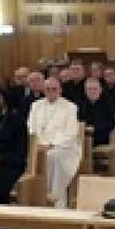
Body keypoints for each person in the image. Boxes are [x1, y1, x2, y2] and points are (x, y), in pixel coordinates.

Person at [27, 78, 83, 208]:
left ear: (60, 90)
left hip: (64, 147)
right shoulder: (36, 105)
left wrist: (51, 144)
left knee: (53, 156)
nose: (51, 92)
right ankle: (37, 198)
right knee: (37, 155)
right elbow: (31, 128)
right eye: (47, 89)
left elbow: (71, 132)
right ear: (43, 90)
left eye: (54, 89)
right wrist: (39, 144)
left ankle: (56, 197)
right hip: (39, 145)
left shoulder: (70, 107)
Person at [79, 78, 115, 146]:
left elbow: (111, 123)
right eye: (89, 89)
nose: (92, 91)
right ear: (85, 91)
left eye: (95, 89)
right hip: (84, 135)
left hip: (102, 137)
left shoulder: (107, 104)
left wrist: (95, 128)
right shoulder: (81, 105)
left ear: (100, 90)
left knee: (87, 142)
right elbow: (79, 120)